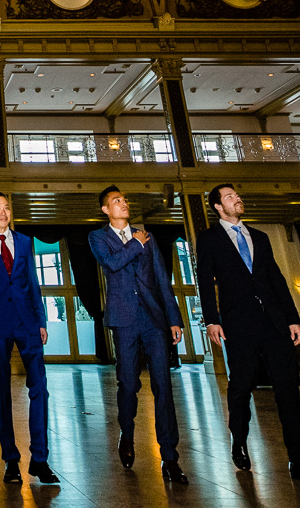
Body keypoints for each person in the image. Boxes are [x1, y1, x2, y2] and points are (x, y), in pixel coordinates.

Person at [197, 183, 300, 486]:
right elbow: (205, 281)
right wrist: (211, 320)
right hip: (238, 324)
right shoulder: (209, 239)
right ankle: (239, 441)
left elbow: (277, 280)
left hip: (274, 323)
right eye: (230, 197)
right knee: (241, 387)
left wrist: (293, 319)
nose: (237, 199)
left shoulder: (260, 237)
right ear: (218, 207)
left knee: (288, 391)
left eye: (237, 195)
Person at [88, 185, 188, 485]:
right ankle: (127, 434)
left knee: (163, 386)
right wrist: (134, 243)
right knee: (128, 383)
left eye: (124, 200)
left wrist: (173, 318)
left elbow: (161, 277)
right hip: (124, 318)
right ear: (106, 210)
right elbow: (112, 263)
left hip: (153, 318)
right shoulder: (98, 237)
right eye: (116, 201)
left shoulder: (147, 236)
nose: (123, 204)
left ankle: (170, 457)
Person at [0, 191, 58, 485]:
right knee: (2, 392)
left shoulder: (25, 242)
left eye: (6, 207)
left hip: (28, 323)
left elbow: (33, 282)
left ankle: (40, 460)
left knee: (40, 390)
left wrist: (41, 320)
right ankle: (10, 460)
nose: (3, 213)